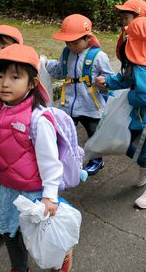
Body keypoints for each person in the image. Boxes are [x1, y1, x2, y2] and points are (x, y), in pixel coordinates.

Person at [0, 44, 72, 272]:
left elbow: (50, 162)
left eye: (15, 77)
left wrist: (50, 196)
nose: (5, 83)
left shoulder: (37, 120)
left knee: (40, 235)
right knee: (10, 233)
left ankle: (61, 258)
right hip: (7, 187)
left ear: (32, 83)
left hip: (34, 192)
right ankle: (19, 268)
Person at [96, 17, 146, 209]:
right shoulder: (142, 62)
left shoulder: (140, 68)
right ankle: (145, 165)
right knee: (126, 143)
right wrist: (108, 82)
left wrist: (130, 97)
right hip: (141, 115)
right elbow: (125, 78)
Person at [46, 14, 114, 176]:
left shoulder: (98, 56)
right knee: (63, 133)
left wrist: (105, 83)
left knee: (94, 135)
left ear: (87, 39)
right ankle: (66, 160)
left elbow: (110, 78)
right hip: (68, 104)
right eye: (67, 42)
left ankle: (96, 160)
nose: (71, 46)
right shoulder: (66, 53)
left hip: (91, 105)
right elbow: (60, 71)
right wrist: (45, 64)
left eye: (75, 43)